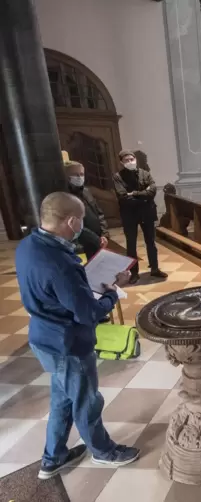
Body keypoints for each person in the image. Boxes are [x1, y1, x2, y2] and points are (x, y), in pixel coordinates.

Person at [15, 192, 141, 480]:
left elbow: (56, 289)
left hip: (44, 337)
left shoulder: (29, 246)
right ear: (71, 220)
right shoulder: (61, 263)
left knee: (63, 399)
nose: (82, 226)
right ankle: (103, 451)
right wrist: (113, 292)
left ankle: (53, 458)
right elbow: (88, 313)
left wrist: (80, 282)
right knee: (86, 401)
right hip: (67, 342)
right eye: (81, 220)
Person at [113, 150, 167, 284]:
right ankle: (134, 273)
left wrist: (134, 194)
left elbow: (152, 192)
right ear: (121, 162)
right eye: (126, 160)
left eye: (131, 159)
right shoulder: (118, 177)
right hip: (129, 214)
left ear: (135, 159)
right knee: (131, 244)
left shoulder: (145, 174)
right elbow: (123, 197)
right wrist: (143, 196)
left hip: (147, 213)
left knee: (151, 242)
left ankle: (154, 268)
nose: (130, 162)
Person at [65, 161, 109, 260]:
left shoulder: (86, 191)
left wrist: (104, 233)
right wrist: (95, 239)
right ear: (67, 176)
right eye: (75, 175)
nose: (79, 177)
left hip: (97, 239)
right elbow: (73, 223)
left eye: (81, 174)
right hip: (80, 241)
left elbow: (99, 214)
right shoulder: (65, 195)